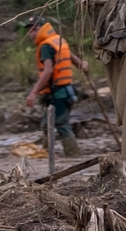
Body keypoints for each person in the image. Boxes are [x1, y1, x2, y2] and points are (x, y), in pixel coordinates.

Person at [20, 18, 86, 156]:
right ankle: (46, 153)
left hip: (59, 93)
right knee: (46, 124)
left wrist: (33, 92)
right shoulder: (59, 40)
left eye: (35, 30)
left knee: (61, 124)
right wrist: (84, 66)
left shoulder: (46, 46)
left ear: (43, 28)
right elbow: (76, 61)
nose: (32, 34)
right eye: (30, 31)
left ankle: (74, 155)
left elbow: (48, 71)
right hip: (65, 91)